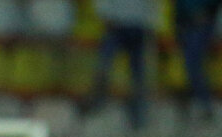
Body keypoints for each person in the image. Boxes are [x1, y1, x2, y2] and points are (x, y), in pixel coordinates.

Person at [84, 0, 158, 129]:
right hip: (116, 26)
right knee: (103, 66)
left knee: (139, 77)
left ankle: (139, 117)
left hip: (138, 28)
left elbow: (152, 5)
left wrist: (150, 24)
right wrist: (105, 16)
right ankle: (97, 103)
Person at [175, 0, 221, 121]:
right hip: (185, 25)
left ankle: (203, 103)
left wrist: (207, 14)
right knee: (190, 67)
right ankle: (198, 103)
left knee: (193, 66)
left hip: (201, 24)